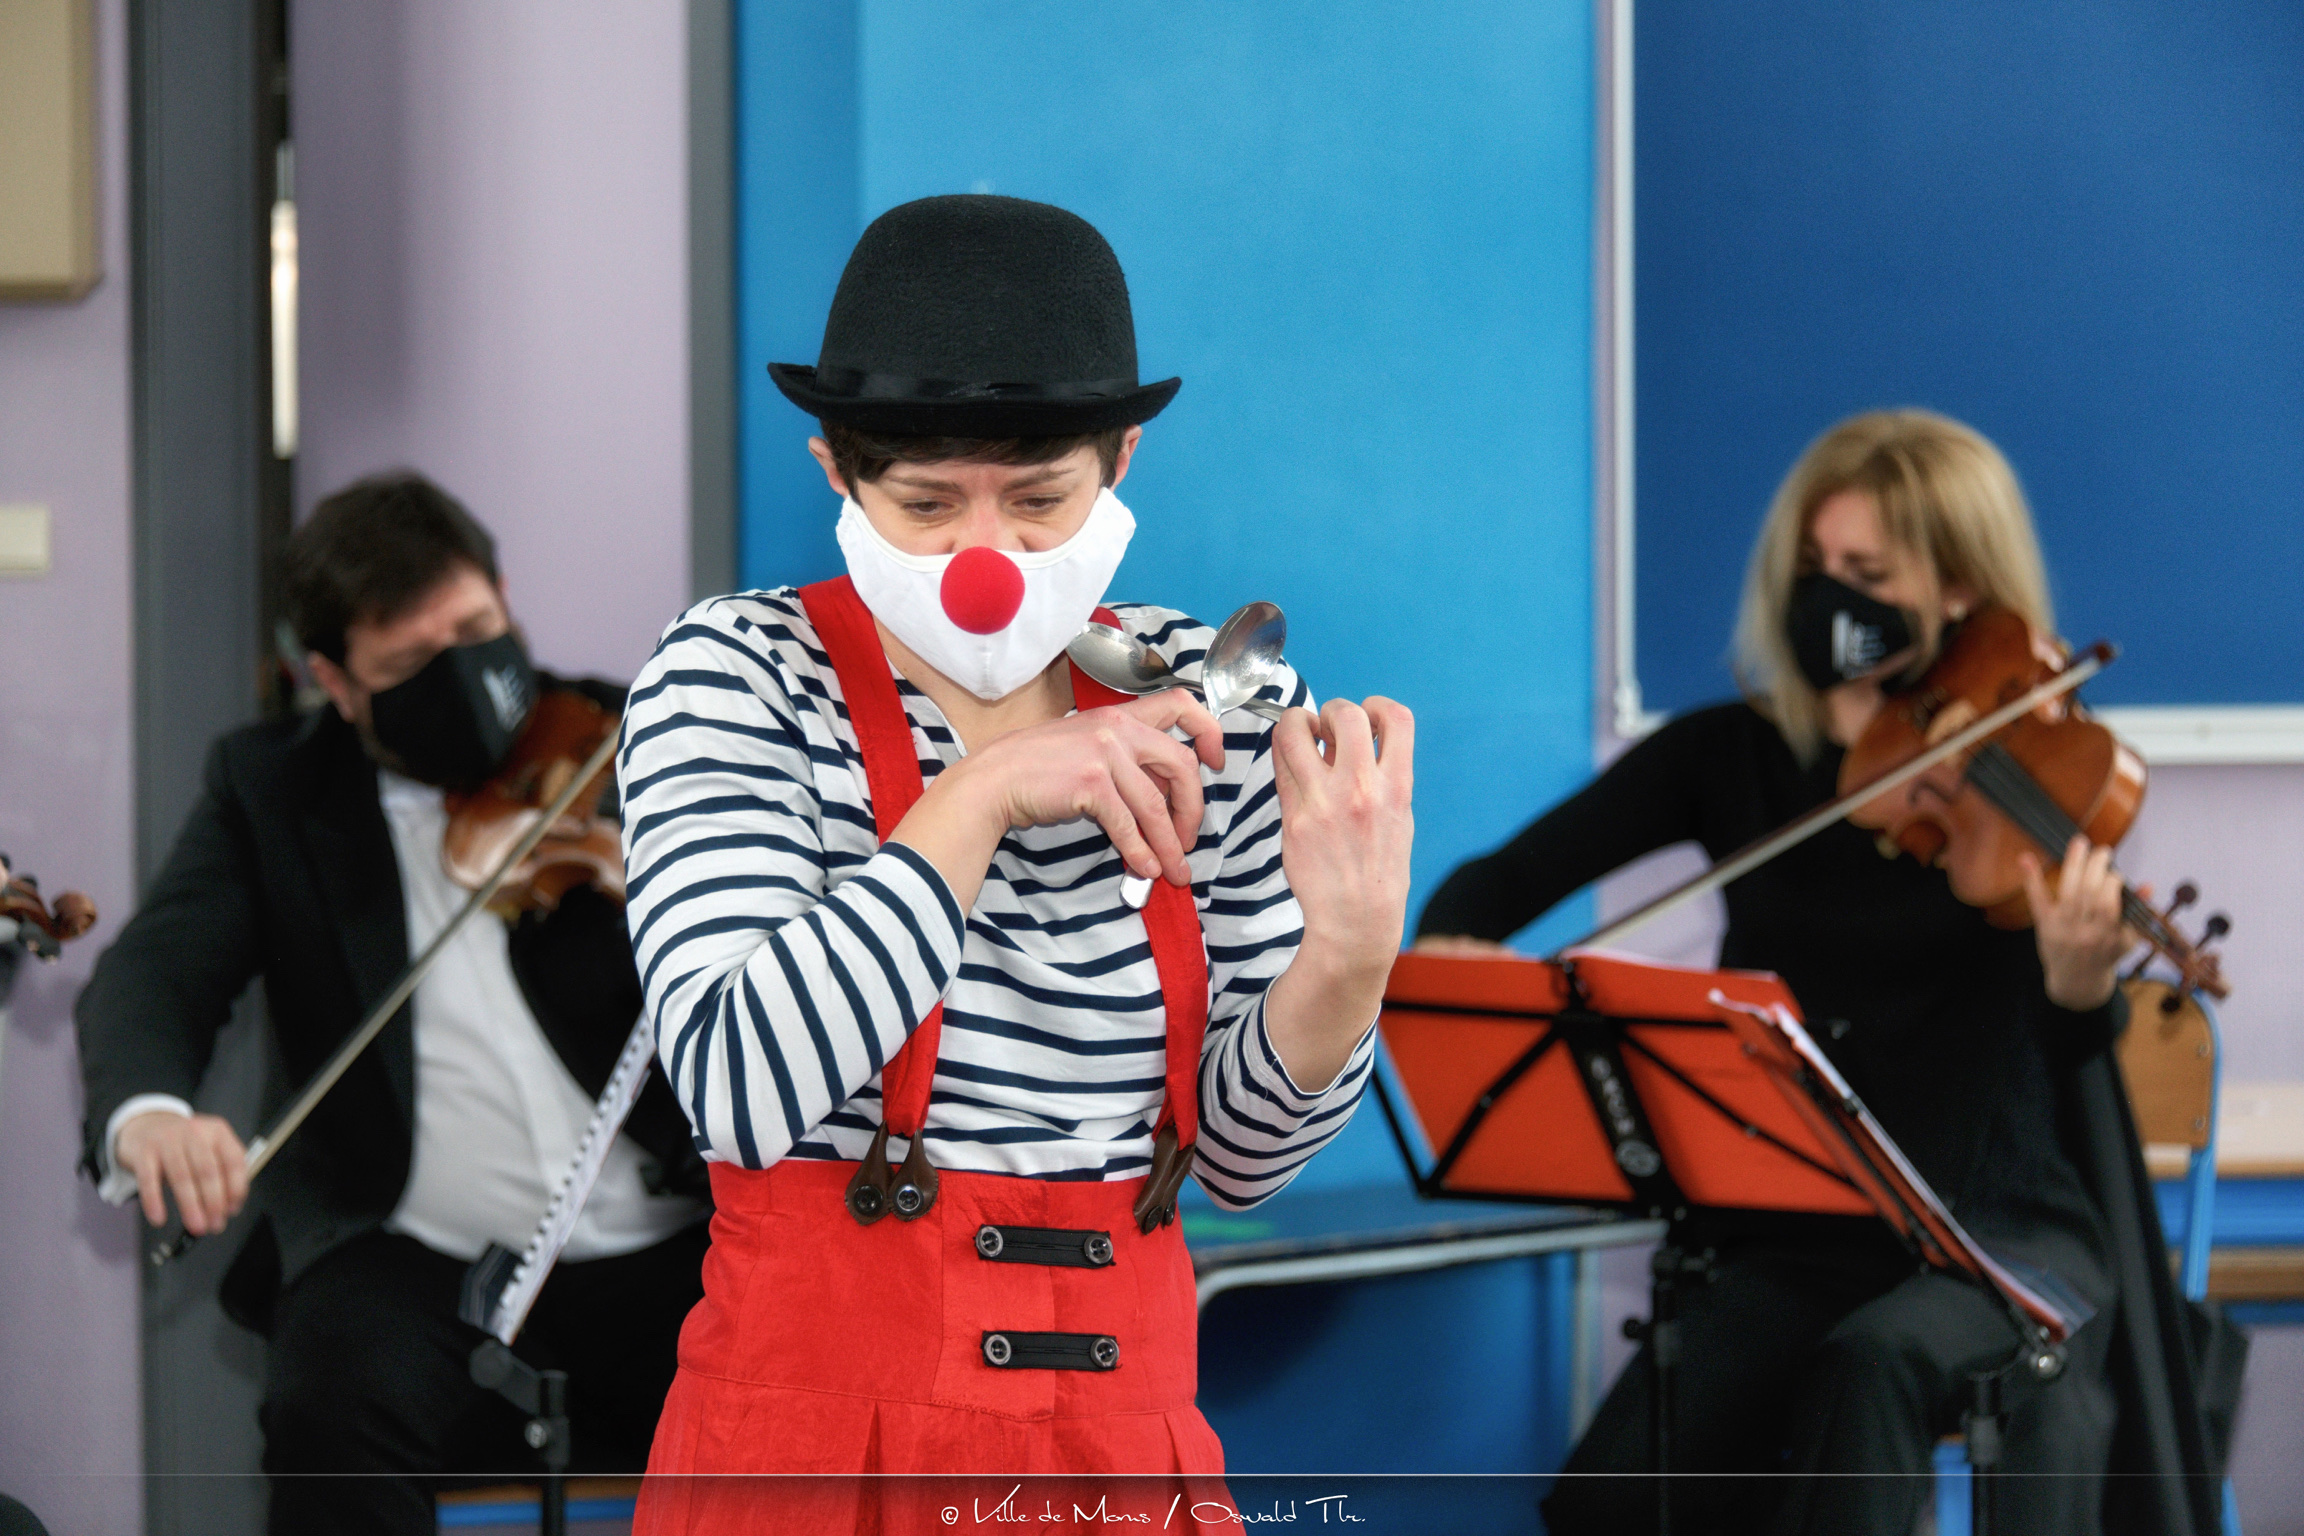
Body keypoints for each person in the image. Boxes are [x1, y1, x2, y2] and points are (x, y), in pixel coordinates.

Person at [617, 194, 1414, 1533]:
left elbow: (1241, 1161)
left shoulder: (1209, 693)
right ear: (835, 474)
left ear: (1122, 461)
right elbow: (739, 1088)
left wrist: (1348, 961)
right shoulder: (738, 675)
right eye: (925, 502)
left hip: (1122, 1454)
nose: (983, 557)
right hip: (820, 1455)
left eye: (1041, 500)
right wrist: (981, 795)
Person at [1419, 410, 2219, 1535]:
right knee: (1615, 1498)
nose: (1830, 597)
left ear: (1960, 587)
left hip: (1992, 1228)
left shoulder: (2023, 779)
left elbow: (2071, 1056)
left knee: (1870, 1365)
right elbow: (1492, 886)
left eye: (1868, 574)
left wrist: (2081, 982)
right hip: (1804, 1224)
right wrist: (1456, 947)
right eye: (1812, 565)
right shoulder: (1727, 755)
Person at [74, 475, 711, 1536]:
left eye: (475, 631)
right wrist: (150, 1115)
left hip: (673, 1247)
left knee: (815, 1392)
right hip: (419, 1266)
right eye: (410, 665)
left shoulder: (630, 739)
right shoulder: (271, 789)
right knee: (327, 1416)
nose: (460, 676)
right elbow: (157, 969)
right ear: (334, 680)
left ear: (506, 597)